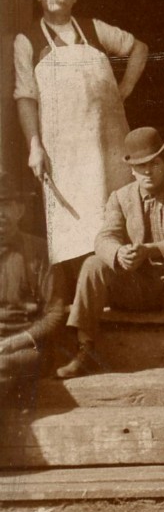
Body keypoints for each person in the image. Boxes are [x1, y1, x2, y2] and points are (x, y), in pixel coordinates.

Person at [14, 0, 146, 270]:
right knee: (72, 220)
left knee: (114, 208)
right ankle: (80, 284)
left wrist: (125, 86)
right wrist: (34, 145)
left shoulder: (93, 28)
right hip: (64, 148)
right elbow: (25, 97)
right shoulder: (28, 40)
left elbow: (139, 48)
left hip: (109, 141)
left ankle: (115, 278)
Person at [71, 128, 164, 378]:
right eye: (140, 166)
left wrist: (150, 250)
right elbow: (104, 236)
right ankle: (85, 348)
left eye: (154, 163)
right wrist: (119, 253)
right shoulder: (120, 197)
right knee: (93, 263)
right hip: (133, 287)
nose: (147, 171)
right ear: (132, 170)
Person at [0, 173, 69, 403]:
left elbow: (55, 314)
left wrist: (15, 341)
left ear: (19, 209)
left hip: (28, 348)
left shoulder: (40, 252)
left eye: (6, 205)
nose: (1, 214)